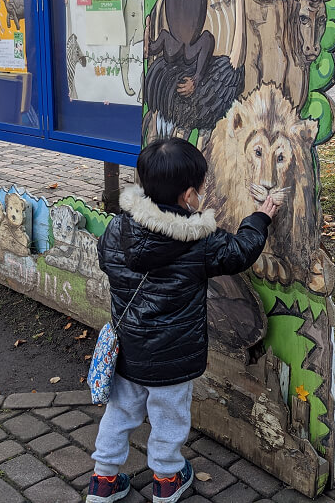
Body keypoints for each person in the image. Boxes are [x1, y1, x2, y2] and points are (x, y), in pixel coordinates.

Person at [86, 137, 277, 503]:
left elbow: (106, 261)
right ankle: (167, 480)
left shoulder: (117, 228)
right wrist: (260, 218)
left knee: (120, 412)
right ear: (189, 196)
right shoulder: (198, 239)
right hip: (174, 356)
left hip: (129, 350)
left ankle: (103, 481)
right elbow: (240, 252)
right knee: (169, 419)